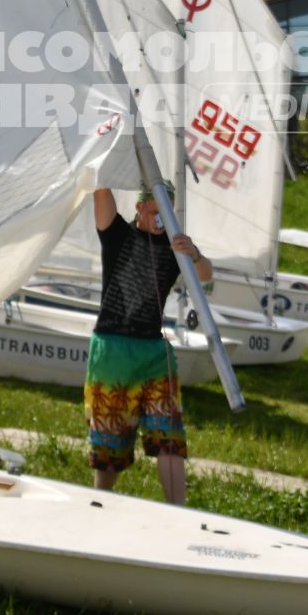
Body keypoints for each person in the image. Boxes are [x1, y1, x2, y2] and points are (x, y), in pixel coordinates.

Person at [86, 184, 211, 506]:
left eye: (167, 215)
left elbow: (206, 275)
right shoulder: (117, 235)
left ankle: (177, 509)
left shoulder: (175, 249)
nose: (161, 221)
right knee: (110, 442)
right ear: (140, 209)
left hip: (154, 354)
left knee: (169, 435)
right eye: (156, 213)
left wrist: (194, 253)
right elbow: (101, 192)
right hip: (112, 351)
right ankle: (100, 502)